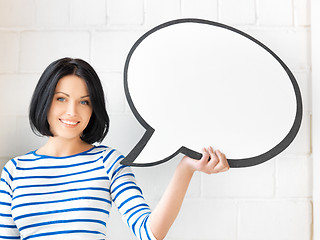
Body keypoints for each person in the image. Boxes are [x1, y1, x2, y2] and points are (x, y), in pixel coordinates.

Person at [0, 58, 229, 240]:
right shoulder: (15, 170)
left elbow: (149, 232)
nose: (72, 111)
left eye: (84, 101)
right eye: (61, 99)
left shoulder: (107, 162)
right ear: (44, 100)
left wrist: (185, 169)